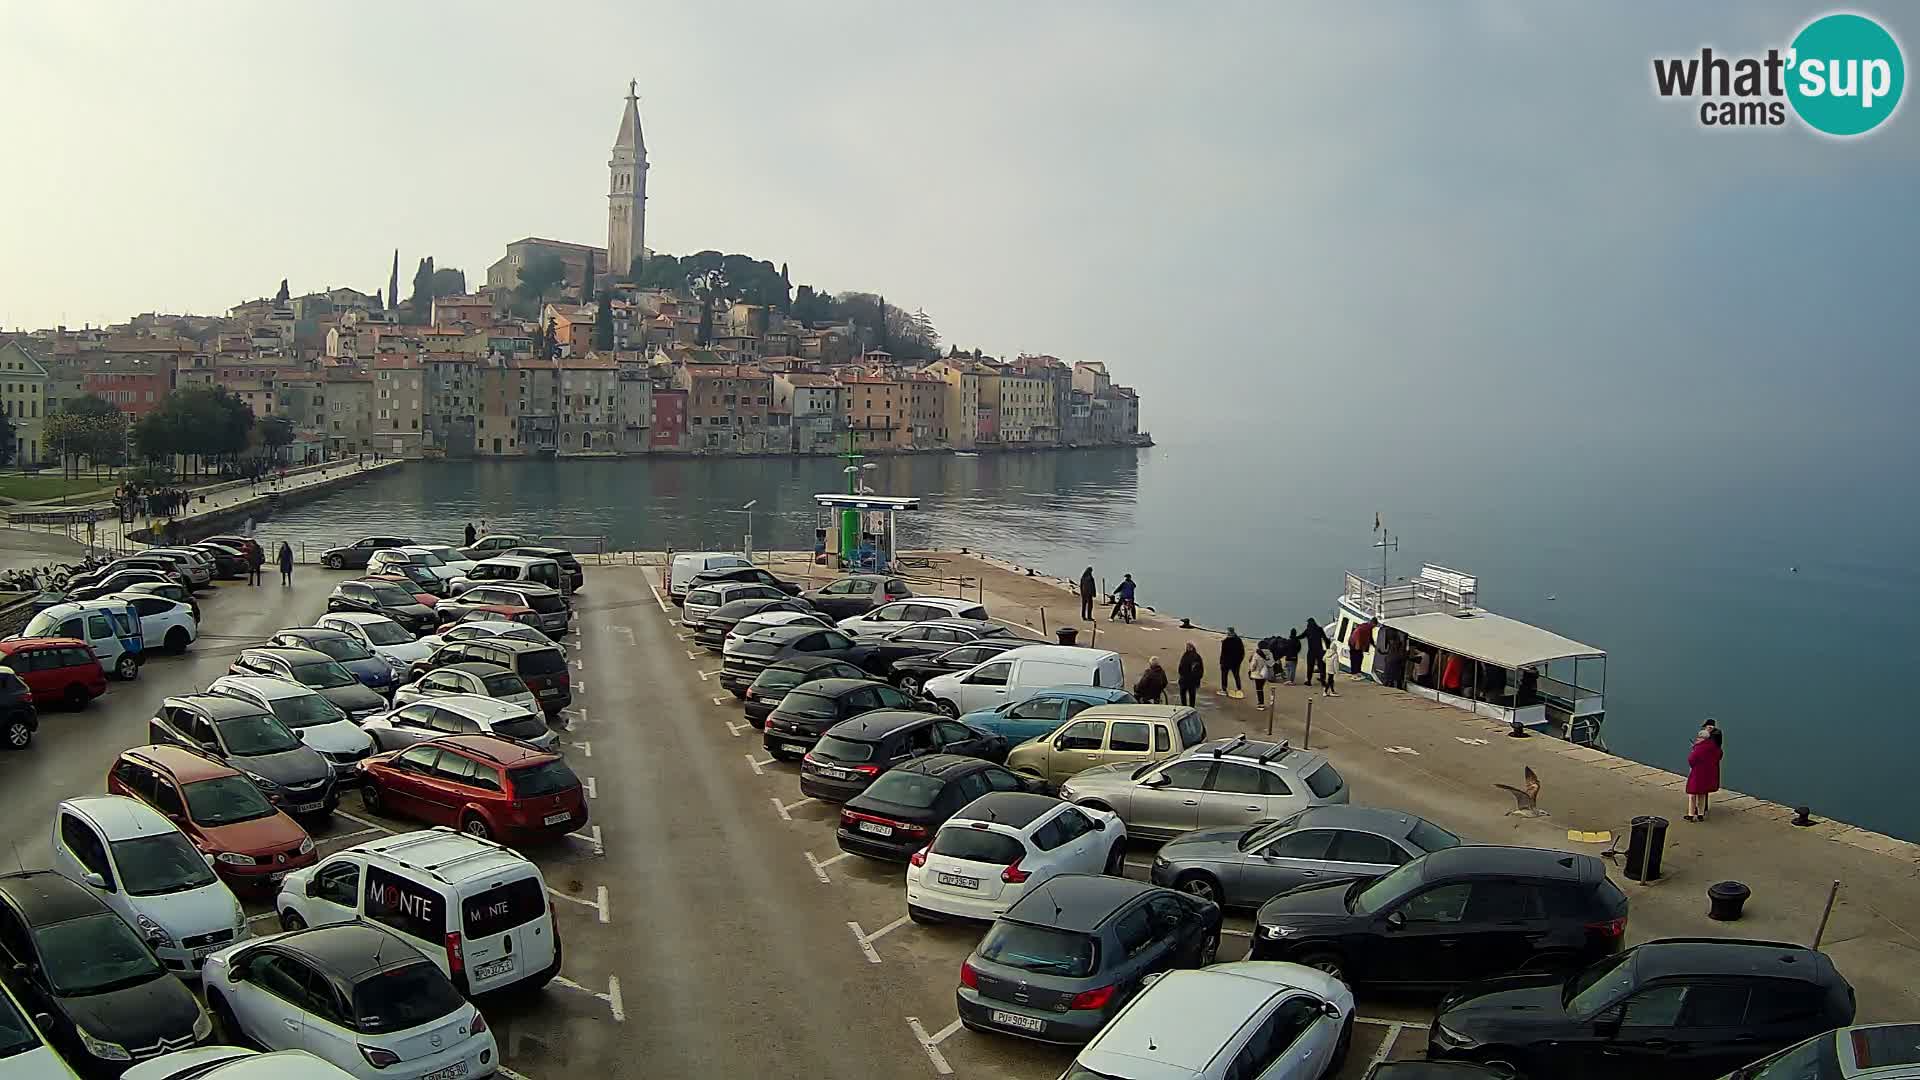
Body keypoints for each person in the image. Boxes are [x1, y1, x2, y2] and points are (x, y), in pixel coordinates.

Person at [1685, 721, 1724, 821]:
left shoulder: (1699, 748)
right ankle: (1701, 814)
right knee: (1702, 794)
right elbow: (1719, 755)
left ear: (1702, 738)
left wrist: (1694, 749)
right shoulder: (1716, 747)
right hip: (1709, 773)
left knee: (1692, 795)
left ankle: (1690, 814)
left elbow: (1691, 760)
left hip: (1698, 773)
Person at [1218, 628, 1245, 698]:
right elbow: (1242, 652)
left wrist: (1221, 661)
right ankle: (1239, 689)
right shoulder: (1238, 640)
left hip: (1226, 662)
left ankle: (1224, 689)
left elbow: (1223, 653)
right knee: (1236, 676)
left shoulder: (1225, 641)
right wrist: (1239, 661)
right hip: (1235, 662)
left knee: (1224, 676)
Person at [1176, 643, 1204, 707]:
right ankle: (1192, 707)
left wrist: (1181, 675)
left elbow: (1180, 667)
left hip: (1184, 679)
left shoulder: (1185, 655)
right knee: (1192, 694)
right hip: (1193, 680)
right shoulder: (1197, 656)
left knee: (1183, 693)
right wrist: (1198, 679)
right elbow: (1201, 670)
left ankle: (1184, 706)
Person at [1302, 618, 1327, 684]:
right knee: (1321, 666)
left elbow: (1301, 636)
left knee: (1310, 666)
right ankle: (1323, 680)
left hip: (1311, 651)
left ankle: (1309, 681)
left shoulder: (1308, 630)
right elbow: (1325, 639)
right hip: (1320, 651)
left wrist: (1293, 638)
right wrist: (1328, 649)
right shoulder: (1319, 629)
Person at [1249, 643, 1274, 707]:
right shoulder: (1270, 654)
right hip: (1265, 673)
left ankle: (1261, 703)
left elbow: (1253, 665)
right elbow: (1271, 663)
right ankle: (1261, 702)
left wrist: (1251, 670)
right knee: (1261, 688)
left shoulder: (1256, 654)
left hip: (1257, 674)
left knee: (1259, 689)